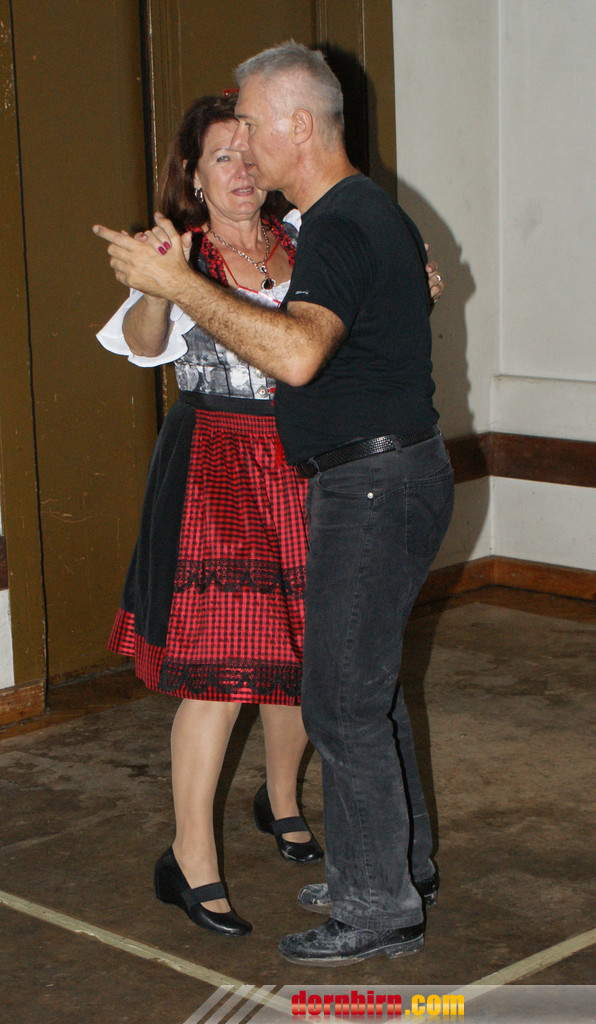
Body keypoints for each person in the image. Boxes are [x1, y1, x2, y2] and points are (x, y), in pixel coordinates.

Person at [93, 42, 453, 965]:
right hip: (307, 475)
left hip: (363, 479)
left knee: (341, 700)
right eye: (225, 146)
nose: (245, 150)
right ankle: (390, 871)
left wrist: (182, 284)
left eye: (250, 126)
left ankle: (377, 903)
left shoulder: (326, 228)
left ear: (297, 125)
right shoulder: (356, 214)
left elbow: (297, 355)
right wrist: (171, 281)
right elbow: (152, 339)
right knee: (349, 690)